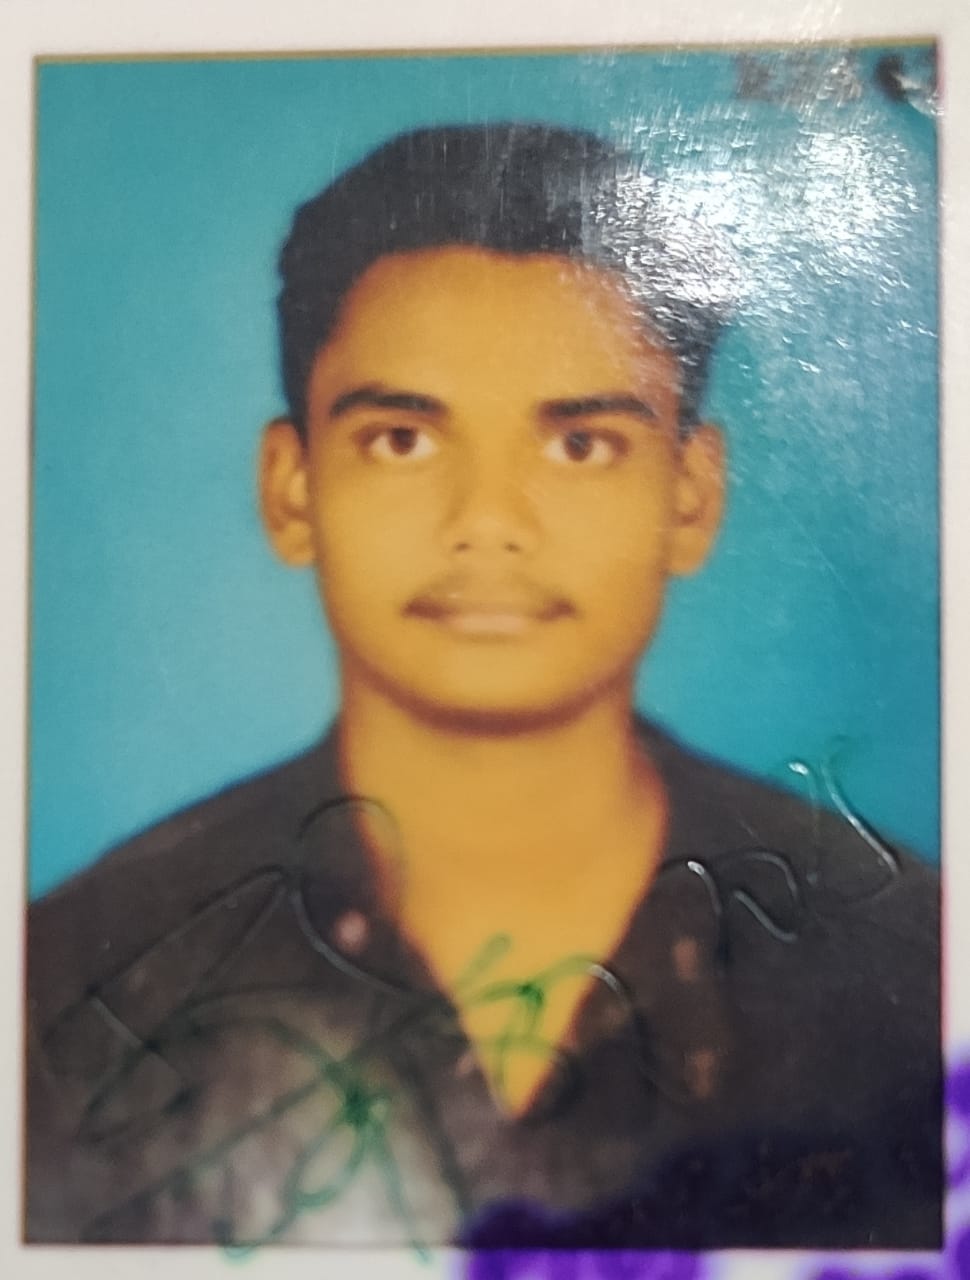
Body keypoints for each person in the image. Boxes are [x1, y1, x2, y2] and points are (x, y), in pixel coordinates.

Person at [25, 123, 940, 1250]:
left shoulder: (918, 968)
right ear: (292, 488)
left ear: (691, 496)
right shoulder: (65, 988)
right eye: (402, 440)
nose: (489, 524)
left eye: (580, 445)